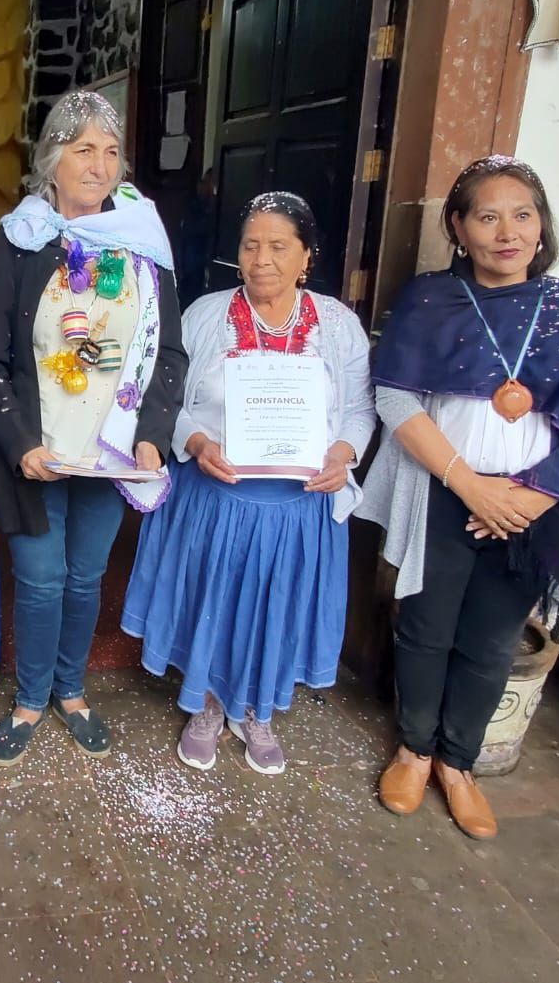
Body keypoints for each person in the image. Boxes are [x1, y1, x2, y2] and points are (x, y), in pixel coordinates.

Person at [358, 155, 559, 839]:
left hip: (532, 507)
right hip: (445, 489)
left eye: (522, 215)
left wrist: (530, 497)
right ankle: (414, 749)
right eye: (487, 216)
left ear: (541, 225)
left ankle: (458, 763)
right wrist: (469, 485)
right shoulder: (431, 301)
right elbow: (395, 397)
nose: (507, 232)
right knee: (425, 626)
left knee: (491, 640)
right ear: (459, 228)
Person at [122, 192, 375, 775]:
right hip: (217, 499)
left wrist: (342, 454)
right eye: (250, 245)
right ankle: (209, 703)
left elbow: (360, 410)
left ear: (306, 256)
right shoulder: (204, 316)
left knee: (273, 609)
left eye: (278, 246)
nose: (262, 259)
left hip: (298, 508)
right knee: (215, 602)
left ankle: (257, 710)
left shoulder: (338, 326)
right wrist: (196, 443)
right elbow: (165, 400)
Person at [0, 91, 186, 768]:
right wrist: (19, 444)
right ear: (52, 159)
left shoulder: (143, 242)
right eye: (84, 149)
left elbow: (169, 353)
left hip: (110, 447)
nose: (100, 166)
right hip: (39, 448)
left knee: (87, 575)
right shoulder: (20, 240)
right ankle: (31, 698)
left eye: (111, 151)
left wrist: (152, 433)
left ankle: (71, 689)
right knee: (41, 578)